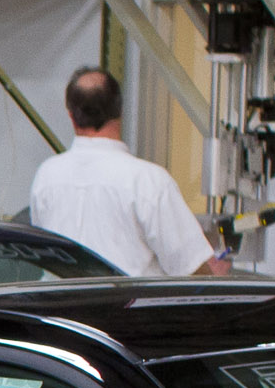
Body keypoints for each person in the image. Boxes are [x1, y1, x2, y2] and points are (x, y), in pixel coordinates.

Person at [27, 67, 230, 278]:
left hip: (56, 309)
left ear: (71, 115)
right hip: (127, 309)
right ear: (120, 111)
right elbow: (189, 267)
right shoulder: (148, 181)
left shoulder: (46, 176)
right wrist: (214, 275)